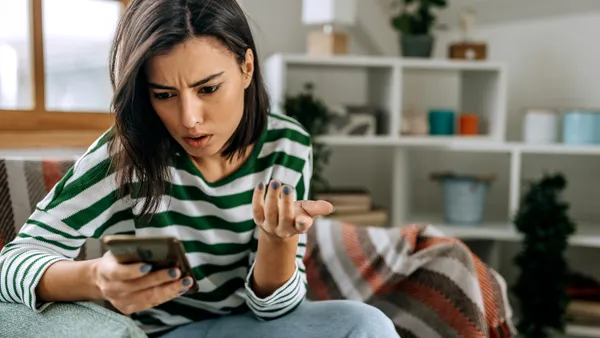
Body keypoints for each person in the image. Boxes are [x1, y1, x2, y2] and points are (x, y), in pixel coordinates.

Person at [0, 0, 400, 337]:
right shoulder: (125, 155)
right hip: (164, 332)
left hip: (251, 326)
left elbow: (276, 310)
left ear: (246, 68)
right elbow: (12, 263)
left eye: (208, 88)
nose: (189, 118)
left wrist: (276, 241)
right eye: (165, 95)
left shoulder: (288, 144)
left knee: (368, 324)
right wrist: (95, 278)